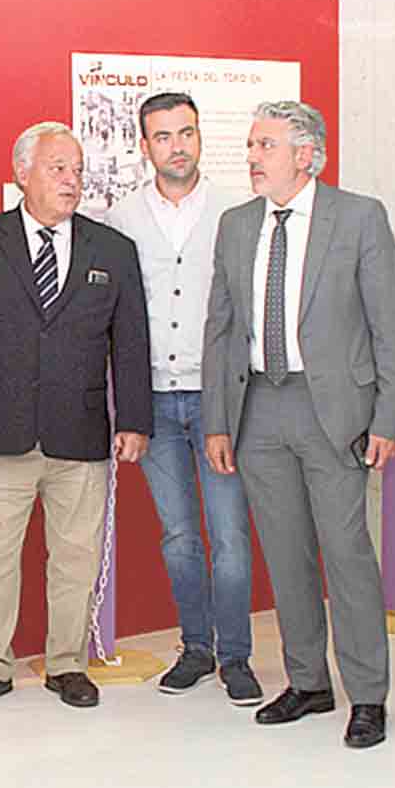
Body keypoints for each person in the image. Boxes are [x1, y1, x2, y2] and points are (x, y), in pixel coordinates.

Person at [201, 100, 395, 749]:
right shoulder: (237, 226)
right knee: (285, 555)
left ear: (306, 154)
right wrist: (217, 420)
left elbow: (388, 328)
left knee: (346, 553)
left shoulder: (359, 217)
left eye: (265, 145)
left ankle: (367, 694)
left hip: (335, 413)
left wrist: (387, 417)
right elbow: (222, 328)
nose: (253, 157)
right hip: (258, 407)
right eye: (253, 145)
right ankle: (309, 683)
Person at [0, 121, 151, 712]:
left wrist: (134, 420)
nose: (71, 180)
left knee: (76, 554)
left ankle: (67, 663)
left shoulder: (113, 251)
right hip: (0, 428)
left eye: (77, 170)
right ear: (22, 172)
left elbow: (130, 343)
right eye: (58, 168)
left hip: (80, 432)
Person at [103, 91, 263, 704]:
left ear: (200, 138)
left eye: (187, 133)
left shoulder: (235, 211)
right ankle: (197, 646)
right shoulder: (122, 219)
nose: (177, 146)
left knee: (229, 535)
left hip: (220, 400)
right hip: (155, 403)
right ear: (145, 146)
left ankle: (238, 655)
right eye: (164, 136)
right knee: (179, 537)